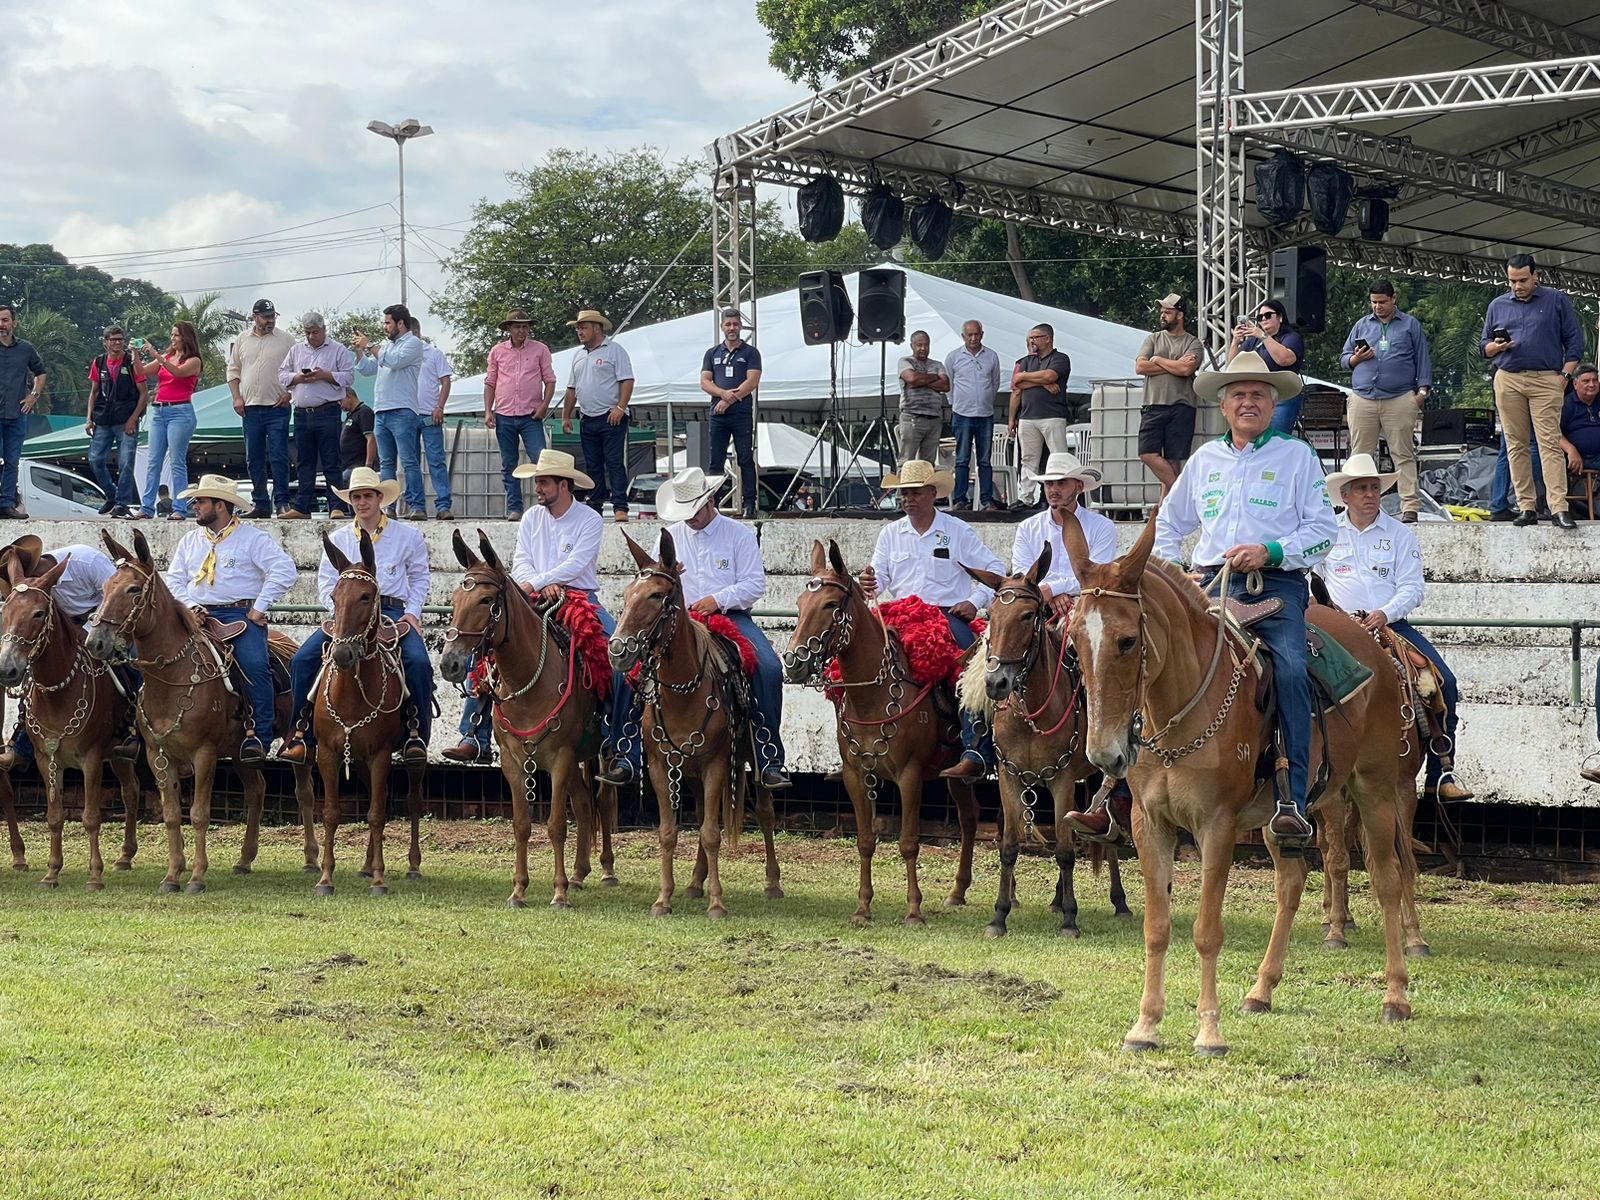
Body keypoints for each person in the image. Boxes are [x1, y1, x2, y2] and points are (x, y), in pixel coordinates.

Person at [1151, 351, 1338, 850]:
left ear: (1272, 402)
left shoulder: (1298, 456)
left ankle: (1291, 798)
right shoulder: (1204, 460)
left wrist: (1270, 551)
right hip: (1208, 587)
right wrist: (1175, 571)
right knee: (1141, 653)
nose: (1248, 402)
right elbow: (1168, 525)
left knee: (1294, 669)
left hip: (1274, 588)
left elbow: (1323, 531)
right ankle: (1122, 782)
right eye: (1238, 394)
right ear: (1223, 405)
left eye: (1257, 393)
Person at [444, 450, 638, 786]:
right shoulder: (532, 517)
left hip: (579, 597)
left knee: (617, 661)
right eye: (538, 482)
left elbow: (578, 563)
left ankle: (619, 743)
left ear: (564, 485)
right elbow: (521, 562)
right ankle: (475, 734)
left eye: (544, 482)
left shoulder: (589, 519)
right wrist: (536, 585)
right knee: (487, 645)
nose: (538, 487)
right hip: (530, 596)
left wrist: (548, 581)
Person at [1319, 453, 1472, 802]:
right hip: (1337, 628)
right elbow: (1311, 578)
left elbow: (1412, 588)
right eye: (1361, 489)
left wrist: (1384, 614)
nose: (1370, 494)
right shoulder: (1326, 534)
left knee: (1443, 683)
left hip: (1392, 625)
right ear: (1346, 495)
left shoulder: (1400, 534)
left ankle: (1440, 773)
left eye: (1374, 488)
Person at [858, 459, 1004, 782]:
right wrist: (869, 582)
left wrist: (974, 601)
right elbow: (878, 578)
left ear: (932, 493)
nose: (907, 498)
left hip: (946, 613)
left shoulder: (957, 531)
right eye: (903, 493)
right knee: (858, 658)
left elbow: (995, 571)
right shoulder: (889, 534)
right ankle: (855, 744)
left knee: (971, 668)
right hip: (900, 613)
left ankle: (975, 748)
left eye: (914, 492)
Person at [278, 467, 432, 766]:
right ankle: (301, 734)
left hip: (391, 612)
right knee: (302, 660)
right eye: (357, 497)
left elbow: (420, 578)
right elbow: (325, 583)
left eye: (368, 496)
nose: (362, 502)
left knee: (419, 663)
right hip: (349, 615)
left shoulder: (407, 536)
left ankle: (416, 734)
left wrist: (412, 614)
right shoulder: (339, 539)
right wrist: (340, 611)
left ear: (379, 499)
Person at [653, 467, 788, 787]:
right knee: (635, 667)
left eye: (695, 510)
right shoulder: (669, 536)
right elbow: (652, 579)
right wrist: (667, 574)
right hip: (680, 620)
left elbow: (754, 584)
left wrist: (718, 599)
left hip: (730, 617)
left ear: (711, 500)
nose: (690, 518)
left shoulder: (738, 534)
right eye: (684, 511)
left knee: (768, 668)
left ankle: (769, 757)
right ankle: (629, 749)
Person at [164, 475, 297, 764]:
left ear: (220, 506)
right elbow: (173, 580)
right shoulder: (190, 540)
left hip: (238, 614)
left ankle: (260, 737)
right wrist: (189, 605)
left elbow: (285, 570)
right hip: (194, 613)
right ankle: (146, 731)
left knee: (255, 665)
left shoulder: (253, 539)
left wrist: (258, 608)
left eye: (200, 501)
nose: (194, 506)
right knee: (148, 654)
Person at [0, 535, 140, 772]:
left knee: (136, 664)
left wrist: (89, 632)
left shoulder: (87, 561)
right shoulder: (32, 593)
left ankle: (138, 732)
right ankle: (23, 745)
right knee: (39, 675)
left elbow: (115, 599)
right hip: (66, 632)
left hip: (111, 623)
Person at [1484, 253, 1586, 529]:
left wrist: (1564, 376)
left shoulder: (1556, 300)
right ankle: (1526, 506)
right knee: (1515, 444)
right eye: (1512, 281)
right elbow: (1485, 347)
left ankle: (1558, 507)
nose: (1517, 286)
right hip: (1508, 377)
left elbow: (1575, 342)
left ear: (1535, 276)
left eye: (1522, 280)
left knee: (1549, 443)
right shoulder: (1498, 305)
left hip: (1546, 378)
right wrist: (1497, 347)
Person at [1339, 280, 1434, 523]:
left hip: (1400, 397)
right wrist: (1356, 358)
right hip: (1363, 396)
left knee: (1402, 452)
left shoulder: (1410, 324)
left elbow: (1423, 358)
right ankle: (1356, 507)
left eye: (1382, 302)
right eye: (1373, 302)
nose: (1377, 307)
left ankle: (1410, 506)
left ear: (1394, 298)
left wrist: (1421, 393)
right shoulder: (1361, 324)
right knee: (1360, 454)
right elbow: (1343, 359)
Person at [1010, 452, 1116, 619]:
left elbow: (1097, 575)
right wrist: (1050, 593)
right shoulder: (1027, 527)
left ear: (1079, 487)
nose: (1053, 490)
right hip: (1038, 602)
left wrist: (1053, 590)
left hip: (1085, 606)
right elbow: (1022, 573)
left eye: (1061, 483)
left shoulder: (1102, 526)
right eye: (1049, 484)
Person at [277, 311, 354, 520]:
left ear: (323, 330)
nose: (311, 337)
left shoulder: (338, 350)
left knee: (331, 460)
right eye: (308, 333)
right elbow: (282, 375)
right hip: (302, 412)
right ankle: (302, 506)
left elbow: (349, 377)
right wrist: (298, 377)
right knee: (304, 462)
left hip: (327, 410)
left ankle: (336, 505)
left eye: (315, 332)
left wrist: (325, 376)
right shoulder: (296, 350)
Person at [559, 310, 634, 524]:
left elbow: (627, 380)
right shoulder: (578, 355)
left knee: (613, 461)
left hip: (611, 415)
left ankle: (620, 505)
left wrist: (620, 407)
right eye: (578, 328)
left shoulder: (614, 351)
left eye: (583, 327)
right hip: (588, 416)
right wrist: (566, 416)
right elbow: (571, 389)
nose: (579, 331)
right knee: (593, 464)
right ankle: (595, 504)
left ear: (597, 328)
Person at [484, 309, 556, 522]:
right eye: (517, 326)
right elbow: (490, 382)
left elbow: (550, 380)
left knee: (541, 460)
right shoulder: (497, 351)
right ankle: (515, 506)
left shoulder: (540, 349)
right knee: (509, 463)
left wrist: (544, 406)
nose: (522, 330)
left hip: (530, 415)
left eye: (525, 326)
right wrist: (488, 410)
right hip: (504, 414)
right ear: (509, 328)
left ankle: (547, 503)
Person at [226, 299, 295, 518]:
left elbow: (298, 370)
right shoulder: (242, 339)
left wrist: (290, 393)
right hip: (250, 407)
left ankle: (282, 502)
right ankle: (260, 503)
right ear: (254, 316)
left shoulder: (287, 340)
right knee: (253, 457)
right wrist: (236, 397)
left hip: (278, 406)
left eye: (273, 316)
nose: (270, 321)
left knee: (278, 455)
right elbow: (233, 370)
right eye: (266, 317)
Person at [1135, 293, 1204, 496]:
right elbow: (1140, 366)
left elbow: (1186, 370)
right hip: (1152, 404)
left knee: (1175, 459)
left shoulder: (1193, 343)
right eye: (1162, 311)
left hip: (1181, 405)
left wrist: (1157, 359)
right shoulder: (1153, 338)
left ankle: (1165, 511)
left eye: (1167, 312)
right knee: (1146, 453)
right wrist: (1175, 364)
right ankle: (1182, 494)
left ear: (1180, 315)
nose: (1162, 315)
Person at [133, 322, 202, 521]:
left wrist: (155, 354)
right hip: (159, 410)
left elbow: (178, 372)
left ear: (186, 338)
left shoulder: (193, 360)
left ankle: (179, 508)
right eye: (172, 335)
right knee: (153, 461)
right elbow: (141, 372)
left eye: (177, 335)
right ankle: (146, 507)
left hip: (180, 411)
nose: (173, 338)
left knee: (176, 461)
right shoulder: (167, 357)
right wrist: (135, 353)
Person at [700, 309, 762, 518]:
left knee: (745, 458)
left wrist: (728, 401)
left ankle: (750, 503)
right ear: (722, 327)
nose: (732, 328)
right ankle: (712, 504)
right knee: (716, 461)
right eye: (728, 325)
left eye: (735, 324)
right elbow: (705, 382)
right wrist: (722, 394)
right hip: (718, 414)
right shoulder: (712, 353)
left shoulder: (750, 353)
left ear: (740, 327)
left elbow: (751, 382)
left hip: (741, 413)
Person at [85, 326, 148, 518]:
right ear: (105, 341)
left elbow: (144, 393)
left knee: (126, 462)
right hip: (104, 418)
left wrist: (133, 419)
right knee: (95, 459)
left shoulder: (131, 361)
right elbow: (94, 391)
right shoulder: (99, 362)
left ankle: (122, 503)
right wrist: (89, 418)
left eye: (120, 339)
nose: (117, 342)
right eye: (113, 339)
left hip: (126, 418)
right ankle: (112, 495)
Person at [1008, 324, 1074, 507]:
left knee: (1058, 457)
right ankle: (1026, 497)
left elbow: (1050, 375)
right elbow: (1017, 382)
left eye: (1036, 337)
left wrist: (1029, 378)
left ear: (1048, 338)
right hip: (1028, 417)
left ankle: (1062, 497)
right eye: (1030, 338)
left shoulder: (1061, 358)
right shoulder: (1027, 360)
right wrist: (1043, 382)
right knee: (1028, 459)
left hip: (1052, 415)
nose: (1032, 341)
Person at [945, 319, 1004, 512]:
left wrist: (985, 400)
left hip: (985, 413)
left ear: (982, 334)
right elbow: (948, 385)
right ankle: (961, 499)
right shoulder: (954, 357)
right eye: (969, 335)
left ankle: (987, 500)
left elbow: (995, 384)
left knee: (984, 460)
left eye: (976, 334)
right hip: (962, 413)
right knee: (962, 458)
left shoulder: (992, 356)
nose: (973, 338)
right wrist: (956, 404)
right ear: (963, 336)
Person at [1228, 298, 1305, 434]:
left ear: (1280, 317)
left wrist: (1263, 336)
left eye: (1268, 315)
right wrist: (1235, 342)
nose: (1263, 319)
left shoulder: (1291, 337)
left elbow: (1284, 359)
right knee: (1253, 437)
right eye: (1260, 317)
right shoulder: (1253, 341)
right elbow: (1233, 366)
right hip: (1258, 396)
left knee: (1275, 437)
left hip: (1283, 396)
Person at [0, 304, 46, 520]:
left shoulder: (25, 348)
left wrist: (34, 395)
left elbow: (41, 372)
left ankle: (7, 504)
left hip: (17, 414)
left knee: (12, 461)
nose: (1, 325)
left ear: (13, 323)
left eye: (5, 320)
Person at [409, 316, 453, 521]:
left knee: (436, 461)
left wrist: (440, 407)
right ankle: (416, 505)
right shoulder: (402, 354)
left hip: (429, 413)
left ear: (416, 333)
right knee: (411, 463)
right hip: (407, 414)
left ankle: (443, 505)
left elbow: (445, 381)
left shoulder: (433, 353)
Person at [896, 329, 950, 466]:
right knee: (906, 462)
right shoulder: (905, 361)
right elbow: (912, 378)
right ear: (912, 346)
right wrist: (934, 377)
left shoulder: (937, 364)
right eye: (919, 345)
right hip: (912, 417)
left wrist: (922, 381)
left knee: (927, 464)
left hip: (933, 419)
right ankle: (903, 488)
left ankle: (923, 488)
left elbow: (945, 385)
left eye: (926, 345)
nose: (923, 348)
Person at [1560, 365, 1600, 493]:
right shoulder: (1566, 404)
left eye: (1595, 380)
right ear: (1575, 384)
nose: (1592, 384)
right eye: (1586, 381)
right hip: (1581, 457)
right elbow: (1553, 432)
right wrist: (1570, 449)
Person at [338, 385, 377, 505]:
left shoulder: (364, 412)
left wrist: (368, 465)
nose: (340, 405)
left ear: (348, 397)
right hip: (347, 464)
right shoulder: (351, 415)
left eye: (341, 401)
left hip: (358, 465)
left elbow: (370, 439)